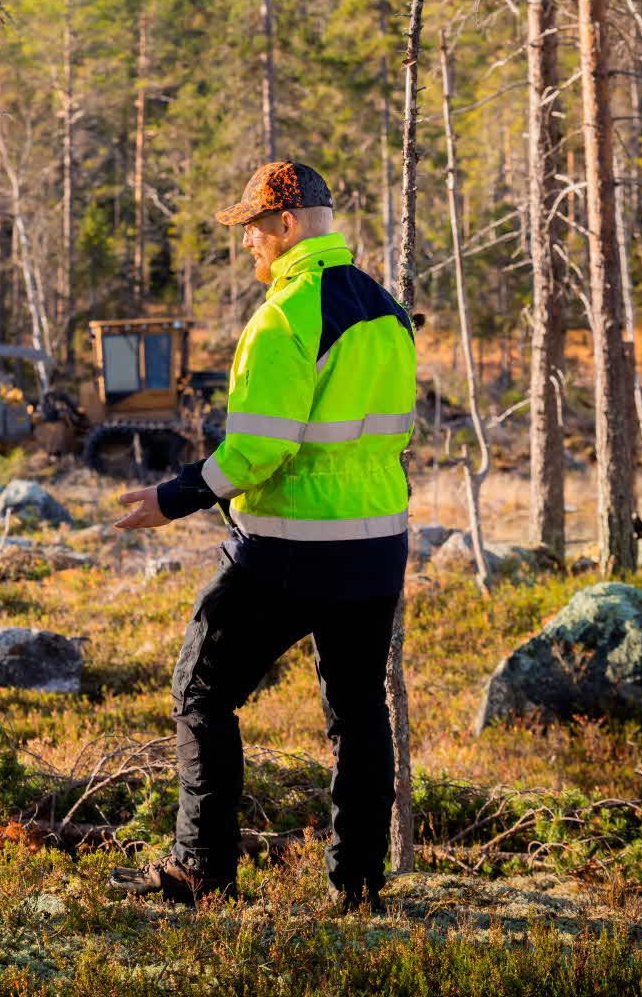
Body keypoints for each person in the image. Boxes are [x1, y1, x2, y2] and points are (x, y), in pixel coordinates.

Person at [108, 159, 417, 910]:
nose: (246, 243)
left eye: (252, 228)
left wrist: (171, 497)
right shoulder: (386, 308)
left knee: (200, 690)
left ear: (286, 225)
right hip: (377, 546)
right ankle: (360, 885)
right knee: (358, 711)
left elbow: (257, 451)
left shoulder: (287, 313)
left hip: (288, 549)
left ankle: (199, 868)